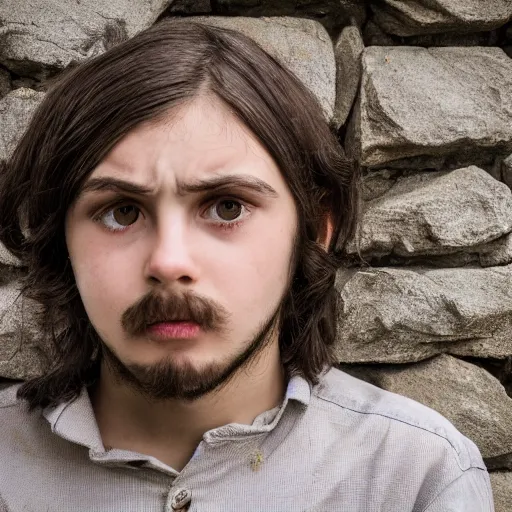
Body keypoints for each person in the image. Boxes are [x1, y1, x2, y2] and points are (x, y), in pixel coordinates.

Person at [0, 19, 493, 512]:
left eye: (227, 207)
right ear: (58, 237)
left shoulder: (416, 478)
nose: (169, 262)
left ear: (313, 231)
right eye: (122, 212)